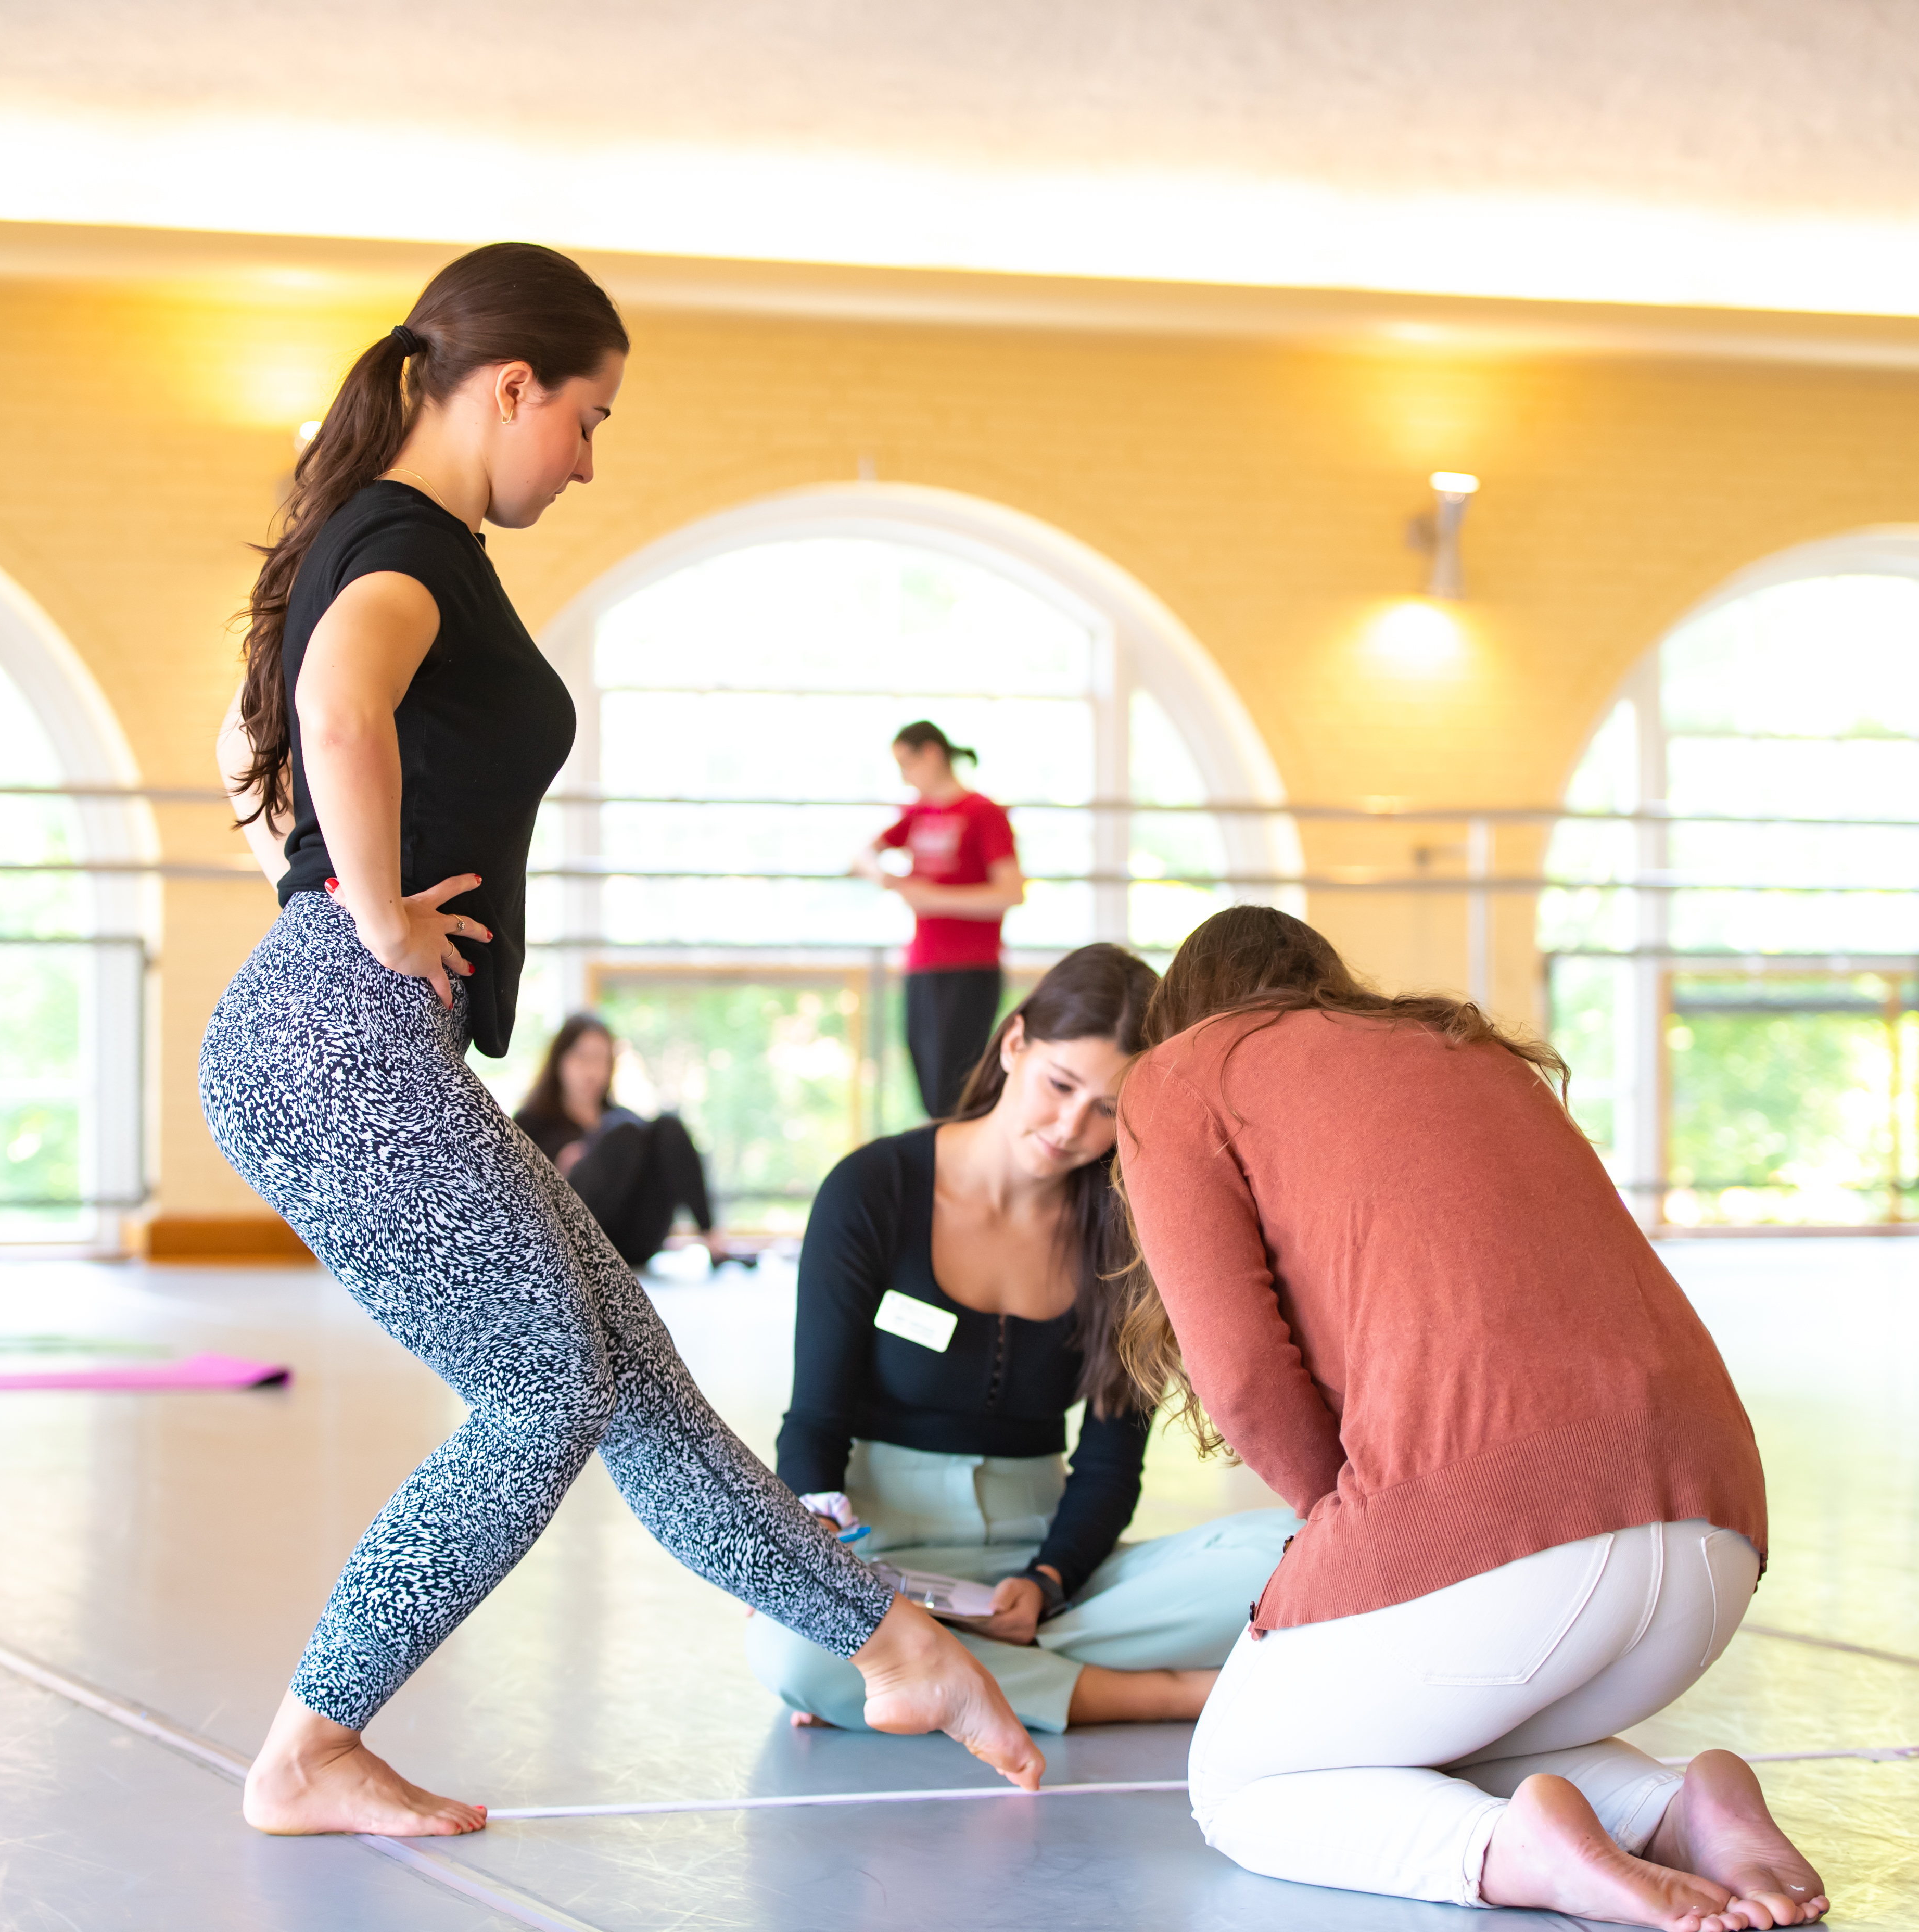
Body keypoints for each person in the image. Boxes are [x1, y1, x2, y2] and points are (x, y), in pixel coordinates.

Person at [201, 242, 1043, 1841]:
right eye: (585, 416)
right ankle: (311, 1739)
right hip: (336, 1038)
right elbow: (331, 706)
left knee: (629, 1379)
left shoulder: (407, 538)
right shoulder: (400, 541)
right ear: (506, 385)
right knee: (542, 1391)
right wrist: (370, 912)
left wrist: (352, 912)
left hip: (356, 1040)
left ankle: (897, 1647)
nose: (587, 455)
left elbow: (298, 734)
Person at [1113, 906, 1827, 1930]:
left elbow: (1242, 1378)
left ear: (1180, 1013)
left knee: (1238, 1783)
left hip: (1510, 1547)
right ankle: (1678, 1808)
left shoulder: (1179, 1074)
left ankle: (1513, 1852)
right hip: (1713, 1548)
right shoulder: (1467, 1048)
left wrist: (1351, 1526)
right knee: (1430, 1723)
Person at [749, 943, 1300, 1734]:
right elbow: (815, 1421)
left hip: (1046, 1566)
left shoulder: (1130, 1235)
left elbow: (1113, 1461)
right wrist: (816, 1560)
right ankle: (1173, 1694)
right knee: (788, 1649)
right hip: (881, 1550)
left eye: (1109, 1110)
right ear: (1015, 1046)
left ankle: (932, 1667)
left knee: (1290, 1551)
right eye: (1060, 1085)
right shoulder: (872, 1190)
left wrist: (1047, 1579)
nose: (1072, 1126)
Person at [855, 721, 1023, 1118]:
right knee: (929, 1087)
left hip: (970, 965)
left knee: (956, 1089)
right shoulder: (918, 813)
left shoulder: (983, 813)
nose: (904, 776)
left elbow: (1010, 892)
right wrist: (887, 879)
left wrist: (934, 898)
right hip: (922, 964)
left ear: (931, 753)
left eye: (906, 763)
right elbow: (863, 853)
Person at [512, 1013, 732, 1269]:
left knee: (667, 1126)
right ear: (560, 1059)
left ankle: (712, 1240)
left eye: (602, 1061)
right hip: (577, 1241)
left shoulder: (620, 1119)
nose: (593, 1072)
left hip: (636, 1238)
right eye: (583, 1058)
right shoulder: (531, 1122)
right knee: (624, 1135)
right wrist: (559, 1168)